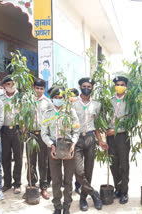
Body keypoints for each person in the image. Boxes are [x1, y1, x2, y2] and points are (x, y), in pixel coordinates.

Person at [41, 86, 80, 214]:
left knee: (68, 179)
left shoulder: (70, 112)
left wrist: (73, 144)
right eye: (55, 98)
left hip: (68, 148)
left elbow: (76, 130)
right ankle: (57, 205)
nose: (58, 100)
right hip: (53, 148)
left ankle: (67, 206)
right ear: (51, 99)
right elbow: (44, 133)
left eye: (61, 98)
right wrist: (51, 145)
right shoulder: (47, 113)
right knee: (56, 179)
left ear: (64, 98)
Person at [73, 77, 107, 211]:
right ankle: (94, 194)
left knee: (88, 170)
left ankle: (83, 199)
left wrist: (100, 140)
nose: (86, 88)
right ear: (80, 87)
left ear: (92, 88)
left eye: (89, 86)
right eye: (84, 85)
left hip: (90, 138)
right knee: (78, 171)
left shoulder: (97, 104)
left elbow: (97, 125)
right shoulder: (72, 103)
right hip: (76, 139)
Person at [106, 75, 131, 204]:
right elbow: (104, 117)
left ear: (126, 87)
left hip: (122, 136)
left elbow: (130, 121)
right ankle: (118, 188)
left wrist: (115, 130)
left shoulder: (130, 101)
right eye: (117, 84)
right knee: (113, 163)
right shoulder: (109, 100)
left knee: (124, 164)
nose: (119, 87)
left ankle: (124, 192)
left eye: (122, 84)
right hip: (110, 137)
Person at [26, 78, 52, 199]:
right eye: (37, 88)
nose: (39, 91)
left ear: (44, 89)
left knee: (43, 161)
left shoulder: (48, 102)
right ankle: (31, 185)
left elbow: (51, 119)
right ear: (33, 87)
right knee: (31, 161)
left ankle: (44, 186)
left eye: (41, 89)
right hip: (30, 134)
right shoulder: (27, 101)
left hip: (43, 134)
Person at [0, 75, 23, 194]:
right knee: (5, 157)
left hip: (18, 130)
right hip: (4, 130)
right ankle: (7, 183)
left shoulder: (21, 97)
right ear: (4, 86)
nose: (11, 86)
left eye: (12, 83)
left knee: (18, 157)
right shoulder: (0, 98)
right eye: (8, 84)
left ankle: (17, 183)